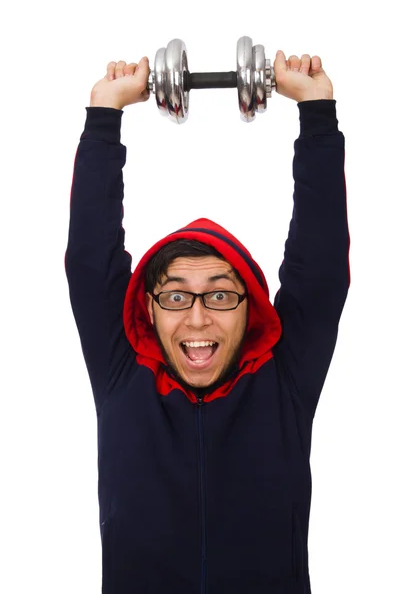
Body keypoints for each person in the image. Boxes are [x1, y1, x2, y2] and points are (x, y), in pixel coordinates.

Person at [65, 49, 350, 594]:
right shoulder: (123, 376)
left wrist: (317, 112)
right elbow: (89, 261)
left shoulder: (283, 382)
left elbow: (320, 267)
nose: (197, 318)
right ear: (147, 308)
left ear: (252, 307)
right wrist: (104, 114)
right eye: (176, 297)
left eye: (220, 295)